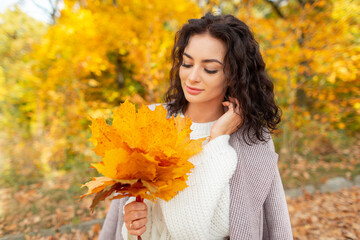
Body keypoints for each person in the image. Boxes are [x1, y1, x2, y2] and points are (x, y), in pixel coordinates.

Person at [98, 13, 293, 240]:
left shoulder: (252, 139)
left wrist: (217, 138)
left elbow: (262, 223)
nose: (191, 77)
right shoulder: (152, 120)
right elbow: (131, 223)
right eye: (187, 63)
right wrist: (133, 224)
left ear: (233, 76)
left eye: (209, 69)